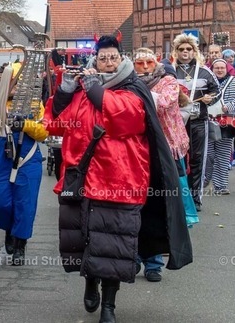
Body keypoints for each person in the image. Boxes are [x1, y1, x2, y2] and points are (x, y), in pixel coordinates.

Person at [44, 36, 192, 323]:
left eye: (113, 57)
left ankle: (109, 305)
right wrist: (64, 91)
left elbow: (126, 119)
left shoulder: (133, 87)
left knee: (114, 246)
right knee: (84, 239)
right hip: (82, 179)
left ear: (122, 59)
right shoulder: (83, 90)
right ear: (95, 60)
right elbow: (56, 125)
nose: (108, 62)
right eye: (103, 58)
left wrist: (93, 88)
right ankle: (90, 281)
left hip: (120, 181)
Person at [133, 48, 194, 282]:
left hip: (164, 150)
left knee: (159, 204)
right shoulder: (129, 82)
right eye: (139, 63)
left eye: (149, 62)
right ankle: (134, 257)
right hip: (136, 150)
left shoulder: (168, 81)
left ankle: (154, 263)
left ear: (156, 62)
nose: (145, 67)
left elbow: (163, 102)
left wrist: (133, 91)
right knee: (135, 205)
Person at [0, 63, 48, 266]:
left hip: (28, 160)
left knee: (25, 204)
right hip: (1, 159)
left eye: (20, 83)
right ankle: (9, 228)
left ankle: (20, 243)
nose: (17, 87)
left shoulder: (35, 105)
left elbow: (44, 133)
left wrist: (26, 125)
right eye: (13, 83)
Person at [172, 34, 219, 211]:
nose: (185, 52)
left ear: (194, 51)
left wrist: (210, 99)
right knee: (178, 160)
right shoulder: (170, 71)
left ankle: (196, 199)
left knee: (198, 159)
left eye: (189, 49)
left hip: (198, 122)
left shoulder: (205, 71)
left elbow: (217, 91)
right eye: (181, 49)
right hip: (176, 124)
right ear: (176, 51)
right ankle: (179, 199)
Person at [205, 59, 235, 194]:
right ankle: (204, 180)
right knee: (208, 155)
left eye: (222, 67)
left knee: (222, 156)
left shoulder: (234, 82)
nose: (219, 70)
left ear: (226, 68)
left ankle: (221, 186)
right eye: (216, 68)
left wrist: (228, 106)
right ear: (212, 69)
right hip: (208, 121)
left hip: (227, 123)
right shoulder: (206, 81)